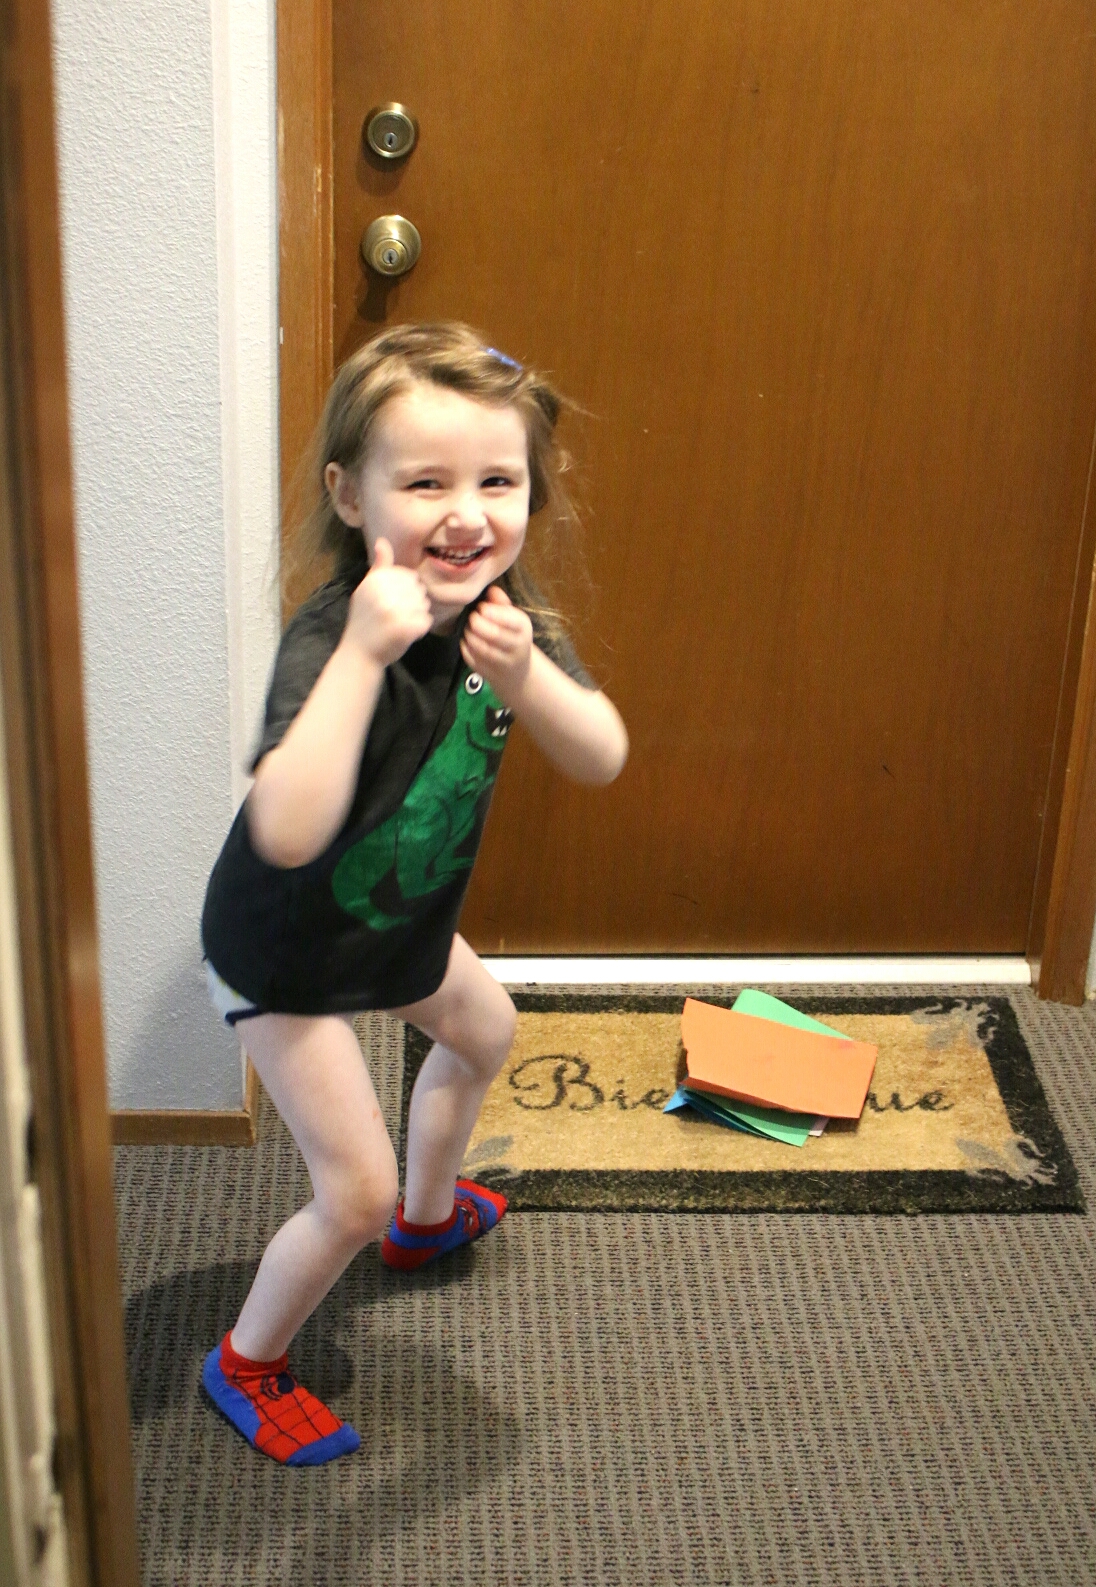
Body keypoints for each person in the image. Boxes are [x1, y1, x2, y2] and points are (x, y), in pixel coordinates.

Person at [198, 322, 628, 1465]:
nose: (466, 513)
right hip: (285, 953)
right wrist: (360, 659)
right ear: (351, 496)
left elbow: (599, 757)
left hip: (397, 924)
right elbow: (286, 828)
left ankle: (424, 1224)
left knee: (484, 1031)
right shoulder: (334, 634)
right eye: (425, 482)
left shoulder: (505, 624)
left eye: (497, 480)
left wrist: (528, 676)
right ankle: (246, 1360)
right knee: (349, 1189)